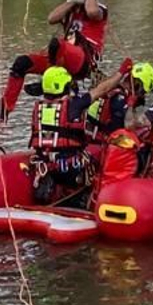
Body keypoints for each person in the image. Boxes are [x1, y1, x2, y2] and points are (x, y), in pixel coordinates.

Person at [0, 0, 108, 121]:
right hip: (61, 58)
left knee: (57, 44)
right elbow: (52, 18)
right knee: (22, 62)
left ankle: (45, 81)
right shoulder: (71, 9)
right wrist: (71, 1)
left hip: (83, 59)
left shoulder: (100, 9)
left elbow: (92, 13)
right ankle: (4, 108)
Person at [26, 64, 97, 205]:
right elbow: (102, 90)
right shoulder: (73, 105)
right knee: (94, 159)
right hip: (70, 168)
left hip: (44, 166)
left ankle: (49, 185)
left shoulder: (38, 108)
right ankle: (83, 197)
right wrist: (120, 73)